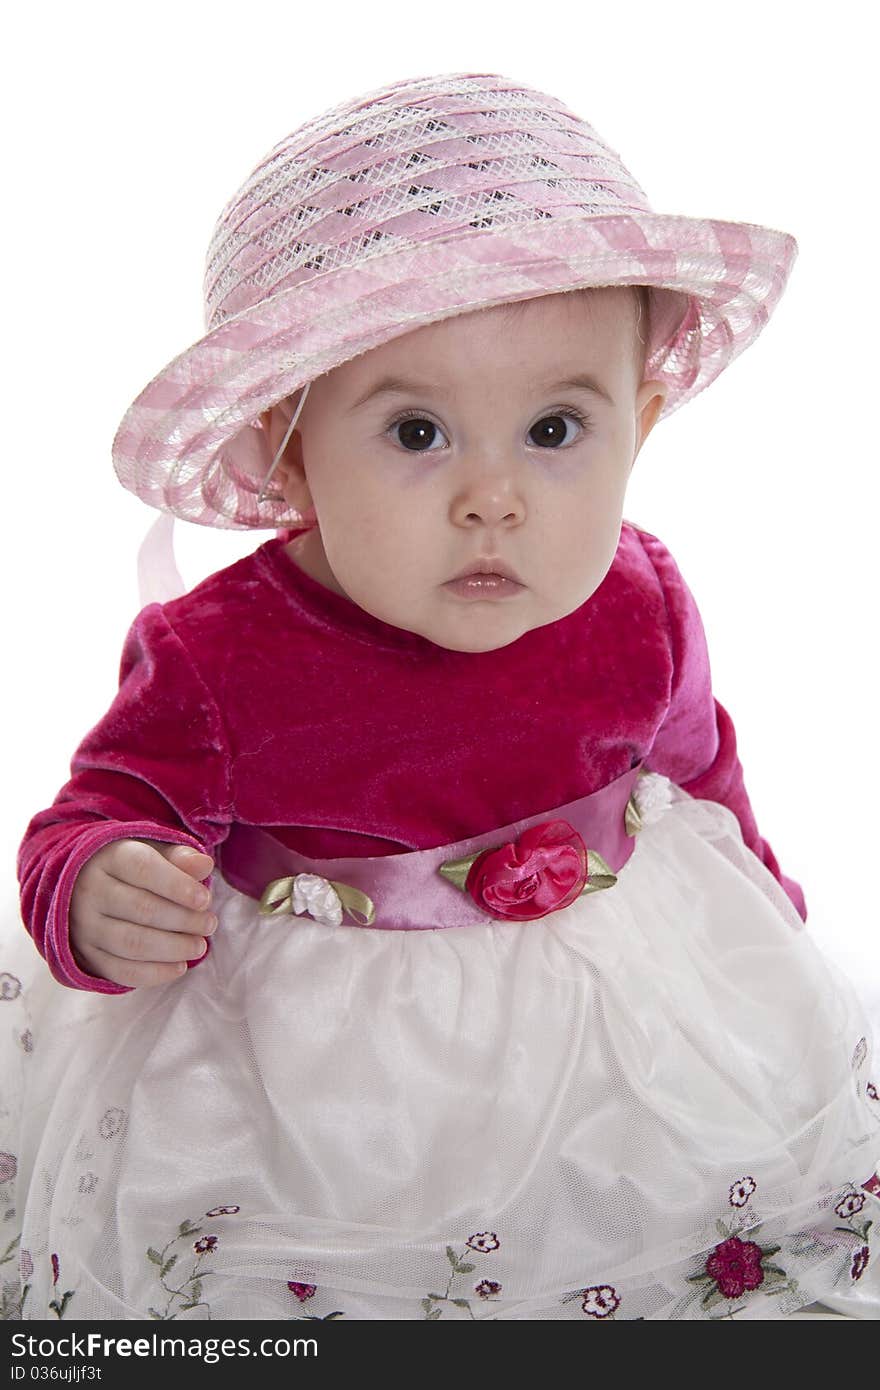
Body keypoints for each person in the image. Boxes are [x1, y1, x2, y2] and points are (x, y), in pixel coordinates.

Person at [2, 71, 878, 1322]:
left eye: (555, 430)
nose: (493, 497)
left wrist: (770, 933)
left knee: (661, 1220)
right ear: (285, 452)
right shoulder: (219, 656)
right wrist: (99, 882)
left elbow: (700, 784)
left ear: (640, 418)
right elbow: (96, 810)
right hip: (329, 1083)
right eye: (416, 434)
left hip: (615, 1027)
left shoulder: (641, 598)